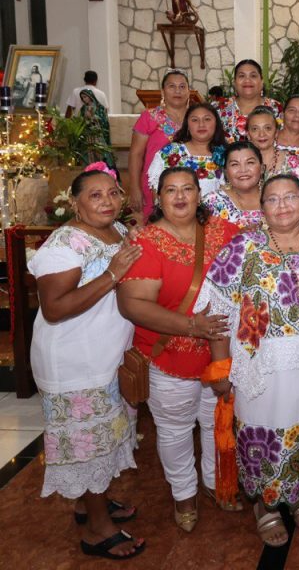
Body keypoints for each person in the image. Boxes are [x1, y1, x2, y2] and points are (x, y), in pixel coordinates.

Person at [196, 173, 299, 547]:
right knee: (263, 430)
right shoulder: (242, 247)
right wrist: (221, 368)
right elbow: (216, 310)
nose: (282, 206)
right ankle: (265, 504)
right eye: (273, 199)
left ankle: (297, 495)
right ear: (261, 208)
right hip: (262, 366)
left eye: (290, 197)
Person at [29, 166, 145, 560]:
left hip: (107, 353)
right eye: (95, 196)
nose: (107, 201)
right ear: (74, 203)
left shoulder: (119, 231)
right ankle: (97, 529)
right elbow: (55, 308)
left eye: (113, 193)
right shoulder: (64, 243)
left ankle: (89, 502)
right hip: (74, 359)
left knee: (107, 433)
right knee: (88, 442)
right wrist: (113, 274)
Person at [117, 167, 242, 532]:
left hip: (220, 353)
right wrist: (192, 326)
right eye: (171, 190)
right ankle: (183, 495)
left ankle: (211, 483)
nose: (180, 196)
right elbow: (133, 305)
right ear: (158, 198)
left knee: (215, 421)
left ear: (200, 194)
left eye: (188, 189)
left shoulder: (224, 232)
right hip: (168, 355)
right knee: (174, 429)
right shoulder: (149, 242)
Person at [129, 69, 190, 220]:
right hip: (154, 187)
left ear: (189, 91)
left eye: (182, 86)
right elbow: (136, 155)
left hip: (189, 186)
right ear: (163, 91)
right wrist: (135, 188)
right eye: (172, 86)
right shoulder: (149, 117)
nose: (177, 91)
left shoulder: (196, 118)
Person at [148, 103, 226, 200]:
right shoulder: (170, 152)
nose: (201, 124)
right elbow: (156, 191)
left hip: (216, 214)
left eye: (207, 119)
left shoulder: (226, 154)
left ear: (216, 123)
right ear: (187, 125)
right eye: (194, 120)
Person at [213, 60, 282, 142]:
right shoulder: (219, 109)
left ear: (261, 82)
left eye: (253, 76)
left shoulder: (277, 109)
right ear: (234, 82)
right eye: (242, 76)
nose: (247, 80)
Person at [202, 141, 264, 230]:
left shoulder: (276, 199)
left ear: (262, 168)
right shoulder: (212, 202)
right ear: (226, 172)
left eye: (250, 162)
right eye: (235, 164)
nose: (243, 170)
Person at [79, 87, 117, 167]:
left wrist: (93, 116)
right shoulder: (83, 108)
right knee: (88, 151)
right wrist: (85, 119)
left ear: (90, 96)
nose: (84, 99)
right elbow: (80, 120)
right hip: (87, 133)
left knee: (100, 151)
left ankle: (102, 167)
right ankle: (90, 167)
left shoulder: (100, 107)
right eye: (82, 98)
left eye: (85, 97)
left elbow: (104, 120)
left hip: (98, 133)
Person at [247, 106, 289, 177]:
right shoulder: (240, 164)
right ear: (248, 135)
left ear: (276, 133)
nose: (261, 134)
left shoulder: (292, 162)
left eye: (267, 128)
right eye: (255, 129)